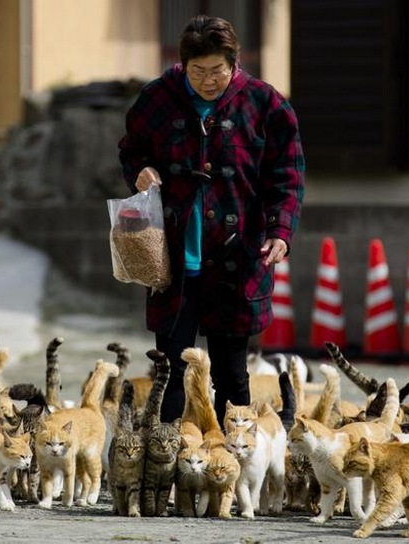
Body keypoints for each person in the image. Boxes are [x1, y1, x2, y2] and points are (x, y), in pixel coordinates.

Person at [118, 15, 305, 426]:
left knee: (232, 376)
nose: (207, 80)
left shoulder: (265, 103)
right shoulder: (157, 98)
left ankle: (232, 460)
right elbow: (131, 150)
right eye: (197, 71)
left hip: (237, 258)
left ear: (234, 62)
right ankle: (167, 456)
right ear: (183, 65)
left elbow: (287, 176)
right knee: (169, 372)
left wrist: (280, 231)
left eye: (217, 70)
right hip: (172, 260)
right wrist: (140, 171)